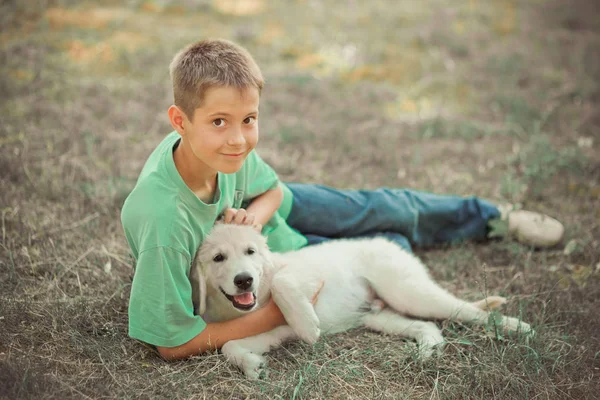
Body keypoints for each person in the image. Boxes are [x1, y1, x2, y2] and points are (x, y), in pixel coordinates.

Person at [120, 39, 564, 361]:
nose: (239, 139)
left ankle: (493, 217)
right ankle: (396, 251)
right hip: (281, 262)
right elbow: (172, 342)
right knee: (382, 249)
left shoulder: (223, 151)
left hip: (273, 226)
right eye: (220, 121)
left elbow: (271, 189)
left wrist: (254, 216)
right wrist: (276, 314)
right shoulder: (166, 224)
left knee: (384, 207)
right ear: (180, 121)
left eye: (249, 119)